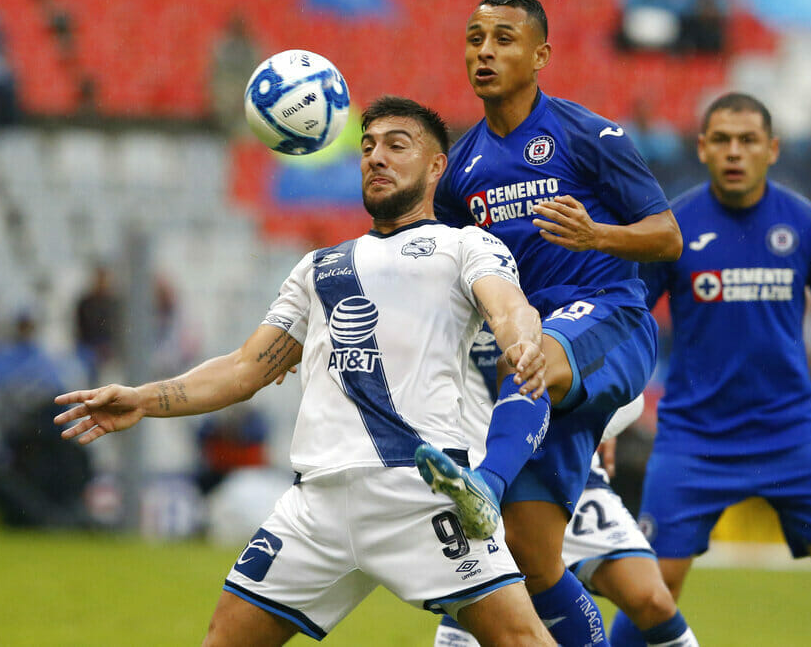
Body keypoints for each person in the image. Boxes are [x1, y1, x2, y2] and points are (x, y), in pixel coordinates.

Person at [53, 96, 556, 647]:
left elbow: (509, 307)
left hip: (420, 492)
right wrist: (145, 399)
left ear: (437, 167)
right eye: (367, 147)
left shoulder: (465, 246)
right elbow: (245, 367)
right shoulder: (319, 267)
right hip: (316, 506)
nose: (376, 158)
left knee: (521, 641)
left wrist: (522, 342)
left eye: (396, 145)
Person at [424, 0, 683, 647]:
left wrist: (597, 235)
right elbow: (458, 276)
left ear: (540, 54)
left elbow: (668, 235)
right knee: (534, 555)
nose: (484, 51)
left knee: (531, 348)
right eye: (475, 37)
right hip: (535, 364)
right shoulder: (459, 173)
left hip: (611, 319)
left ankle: (481, 483)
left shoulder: (587, 134)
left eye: (504, 39)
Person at [636, 93, 811, 646]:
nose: (735, 152)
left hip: (790, 434)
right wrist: (608, 420)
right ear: (703, 148)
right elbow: (628, 325)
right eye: (722, 140)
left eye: (748, 140)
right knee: (652, 591)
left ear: (773, 149)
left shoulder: (808, 226)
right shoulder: (671, 229)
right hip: (695, 438)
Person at [433, 330, 698, 646]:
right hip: (486, 480)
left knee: (653, 599)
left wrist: (596, 428)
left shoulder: (555, 297)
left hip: (569, 472)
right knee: (477, 617)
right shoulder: (453, 303)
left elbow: (631, 396)